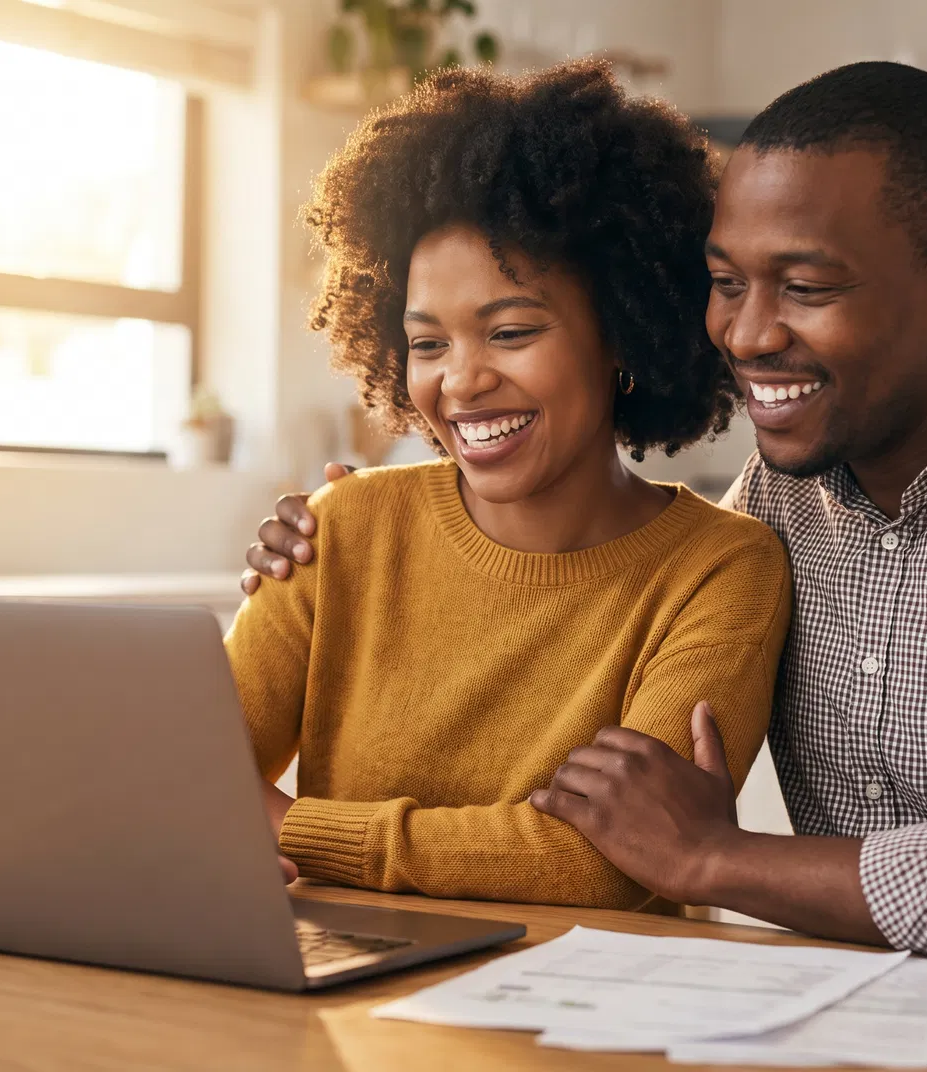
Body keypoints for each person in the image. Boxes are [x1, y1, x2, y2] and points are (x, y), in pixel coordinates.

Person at [242, 61, 927, 982]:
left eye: (804, 285)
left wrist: (720, 860)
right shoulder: (775, 507)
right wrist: (350, 527)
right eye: (724, 283)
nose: (747, 335)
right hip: (846, 1024)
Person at [225, 60, 790, 911]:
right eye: (427, 344)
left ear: (623, 332)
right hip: (349, 1010)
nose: (461, 382)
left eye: (511, 331)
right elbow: (188, 777)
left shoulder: (721, 570)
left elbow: (605, 862)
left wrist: (291, 826)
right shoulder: (338, 530)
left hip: (588, 1012)